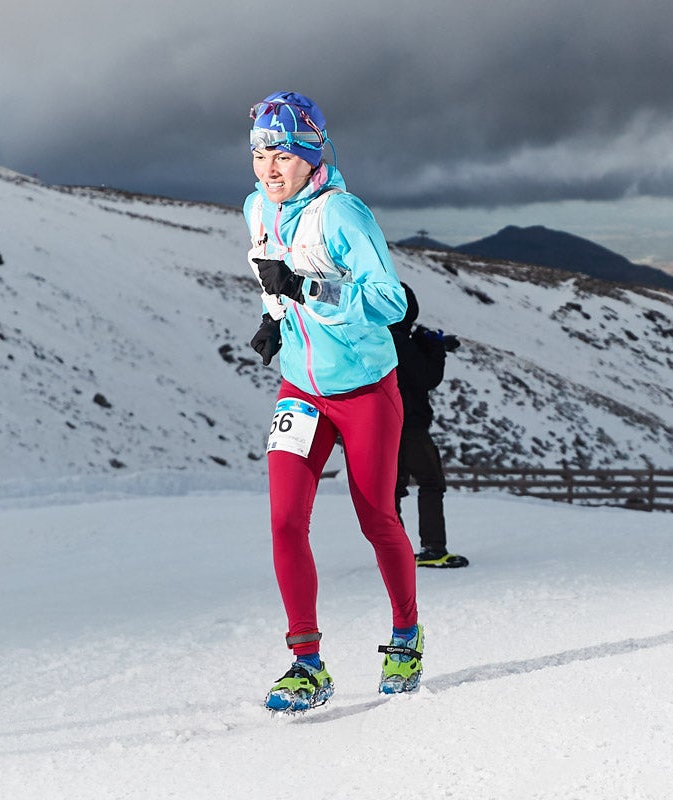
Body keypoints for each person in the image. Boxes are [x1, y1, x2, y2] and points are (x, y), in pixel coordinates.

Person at [242, 91, 423, 713]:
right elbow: (270, 275)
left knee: (377, 518)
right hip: (301, 389)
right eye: (260, 154)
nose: (269, 168)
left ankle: (405, 636)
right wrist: (274, 318)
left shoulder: (342, 214)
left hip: (366, 389)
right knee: (284, 522)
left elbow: (392, 303)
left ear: (311, 158)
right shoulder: (256, 209)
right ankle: (306, 664)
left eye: (283, 155)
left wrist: (307, 289)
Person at [391, 283, 469, 568]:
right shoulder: (401, 341)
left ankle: (394, 554)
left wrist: (424, 345)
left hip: (381, 428)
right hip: (410, 426)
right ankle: (433, 548)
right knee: (431, 483)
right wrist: (435, 349)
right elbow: (426, 377)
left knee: (391, 491)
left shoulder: (376, 337)